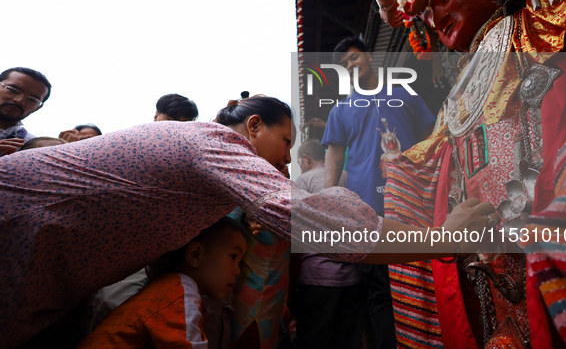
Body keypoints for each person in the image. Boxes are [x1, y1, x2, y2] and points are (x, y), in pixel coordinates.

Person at [0, 94, 491, 348]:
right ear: (253, 127)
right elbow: (310, 216)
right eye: (284, 144)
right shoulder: (213, 142)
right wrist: (446, 237)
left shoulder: (210, 171)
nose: (284, 164)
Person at [359, 0, 566, 347]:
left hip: (543, 233)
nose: (431, 15)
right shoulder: (458, 91)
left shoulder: (544, 20)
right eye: (425, 16)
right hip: (479, 264)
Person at [322, 36, 435, 349]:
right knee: (380, 293)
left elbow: (430, 139)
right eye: (343, 65)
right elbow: (334, 153)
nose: (350, 66)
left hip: (416, 203)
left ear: (369, 58)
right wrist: (332, 196)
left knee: (423, 281)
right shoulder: (340, 110)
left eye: (353, 58)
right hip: (368, 211)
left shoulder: (405, 94)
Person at [78, 217, 247, 348]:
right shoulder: (179, 293)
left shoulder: (171, 287)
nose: (238, 271)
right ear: (195, 255)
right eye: (233, 257)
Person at [294, 139, 365, 349]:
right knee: (347, 339)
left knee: (315, 339)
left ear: (305, 159)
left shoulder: (304, 180)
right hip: (353, 274)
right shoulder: (346, 176)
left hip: (317, 275)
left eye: (298, 162)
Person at [0, 67, 52, 156]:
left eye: (32, 100)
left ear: (37, 108)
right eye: (13, 90)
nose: (20, 100)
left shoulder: (34, 148)